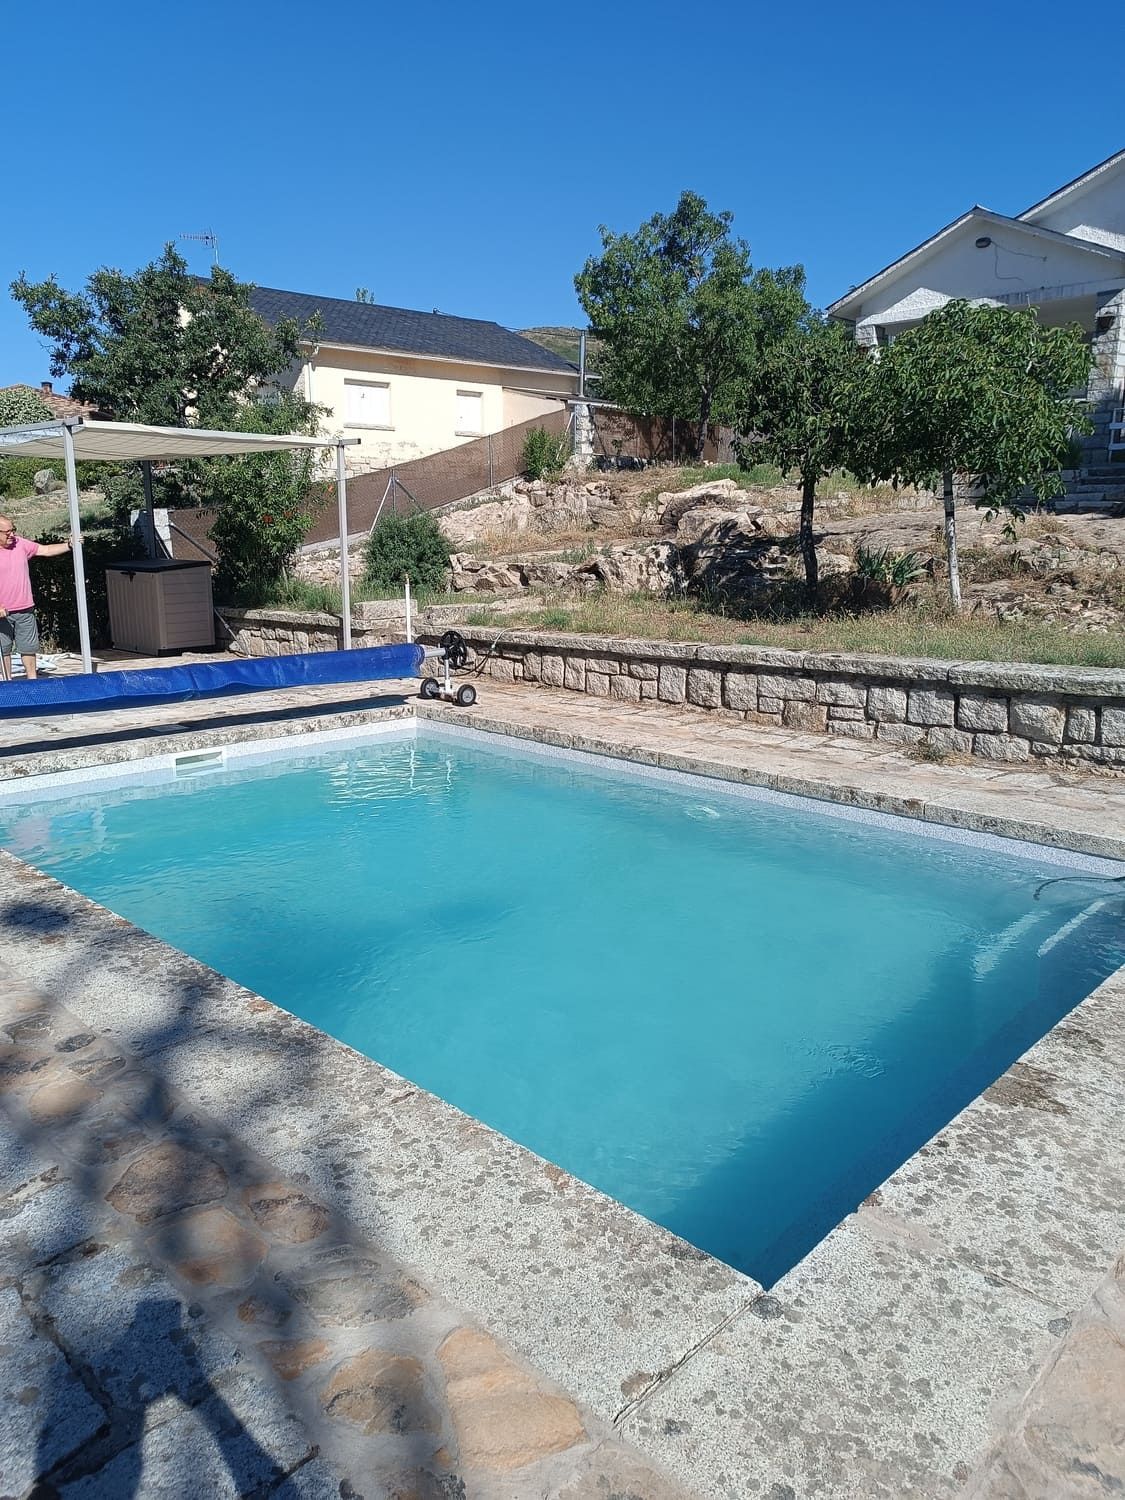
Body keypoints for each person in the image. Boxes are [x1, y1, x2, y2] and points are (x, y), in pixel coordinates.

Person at [0, 514, 72, 681]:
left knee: (28, 648)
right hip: (2, 612)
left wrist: (69, 544)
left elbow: (45, 550)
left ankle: (32, 681)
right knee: (4, 649)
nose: (12, 535)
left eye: (13, 530)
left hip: (25, 608)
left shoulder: (20, 544)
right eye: (7, 532)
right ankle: (7, 683)